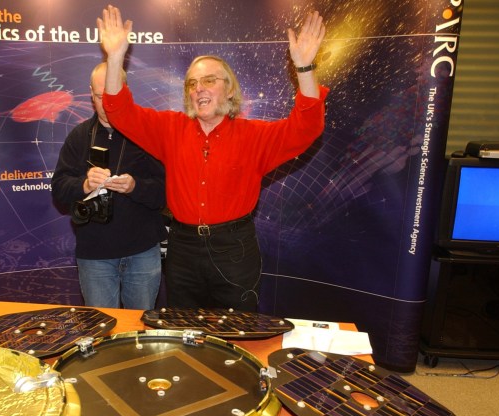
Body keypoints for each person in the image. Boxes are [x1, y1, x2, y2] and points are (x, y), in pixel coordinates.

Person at [96, 5, 328, 312]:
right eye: (192, 84)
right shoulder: (170, 129)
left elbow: (307, 127)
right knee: (185, 333)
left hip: (234, 251)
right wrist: (114, 58)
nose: (198, 89)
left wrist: (304, 68)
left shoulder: (254, 136)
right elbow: (119, 111)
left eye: (208, 80)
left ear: (230, 90)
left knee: (236, 332)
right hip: (182, 250)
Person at [52, 62, 167, 310]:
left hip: (142, 251)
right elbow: (59, 189)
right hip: (95, 255)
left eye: (111, 95)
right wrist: (84, 184)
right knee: (103, 328)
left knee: (140, 328)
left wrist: (135, 187)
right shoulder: (79, 136)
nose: (105, 104)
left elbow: (165, 193)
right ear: (90, 95)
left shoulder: (145, 135)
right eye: (98, 96)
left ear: (124, 90)